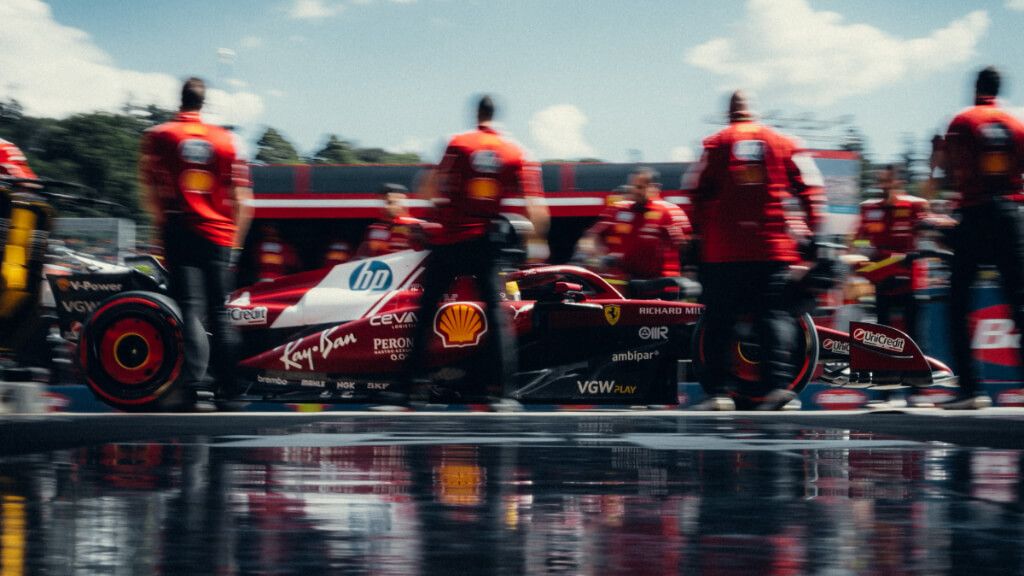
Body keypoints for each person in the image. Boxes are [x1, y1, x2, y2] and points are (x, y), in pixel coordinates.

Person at [685, 90, 825, 411]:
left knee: (720, 319)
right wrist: (814, 235)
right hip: (771, 249)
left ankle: (720, 394)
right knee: (773, 316)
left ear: (730, 112)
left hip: (723, 252)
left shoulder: (715, 143)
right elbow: (811, 188)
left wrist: (696, 238)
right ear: (754, 112)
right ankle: (779, 389)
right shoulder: (783, 142)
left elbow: (694, 192)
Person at [403, 95, 545, 403]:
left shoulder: (457, 142)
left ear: (476, 113)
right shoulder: (515, 151)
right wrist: (537, 246)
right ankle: (503, 394)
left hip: (449, 240)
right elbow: (536, 207)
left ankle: (411, 390)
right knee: (497, 315)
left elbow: (428, 187)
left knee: (426, 311)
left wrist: (439, 204)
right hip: (486, 242)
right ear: (496, 115)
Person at [139, 77, 253, 407]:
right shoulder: (227, 140)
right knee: (220, 310)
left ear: (181, 101)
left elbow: (149, 192)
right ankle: (231, 390)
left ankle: (190, 388)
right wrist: (235, 245)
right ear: (204, 103)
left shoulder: (159, 136)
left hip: (179, 229)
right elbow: (245, 200)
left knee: (188, 308)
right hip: (218, 234)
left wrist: (162, 225)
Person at [941, 66, 1024, 409]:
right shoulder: (1017, 124)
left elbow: (950, 172)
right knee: (1019, 302)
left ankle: (970, 390)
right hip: (1011, 215)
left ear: (975, 87)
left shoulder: (963, 121)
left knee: (958, 302)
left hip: (974, 215)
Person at [853, 164, 930, 335]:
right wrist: (866, 252)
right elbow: (857, 241)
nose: (884, 186)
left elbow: (927, 233)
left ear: (899, 182)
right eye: (881, 181)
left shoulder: (913, 208)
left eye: (888, 181)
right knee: (884, 337)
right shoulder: (870, 210)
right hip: (883, 282)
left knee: (914, 338)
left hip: (910, 284)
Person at [583, 167, 691, 281]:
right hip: (623, 282)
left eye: (640, 187)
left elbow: (685, 247)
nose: (635, 191)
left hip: (659, 283)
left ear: (655, 187)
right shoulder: (617, 210)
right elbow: (592, 236)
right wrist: (597, 256)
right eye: (633, 186)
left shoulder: (669, 212)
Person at [355, 183, 424, 258]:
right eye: (386, 202)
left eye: (393, 202)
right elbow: (366, 254)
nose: (387, 206)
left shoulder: (416, 226)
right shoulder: (376, 227)